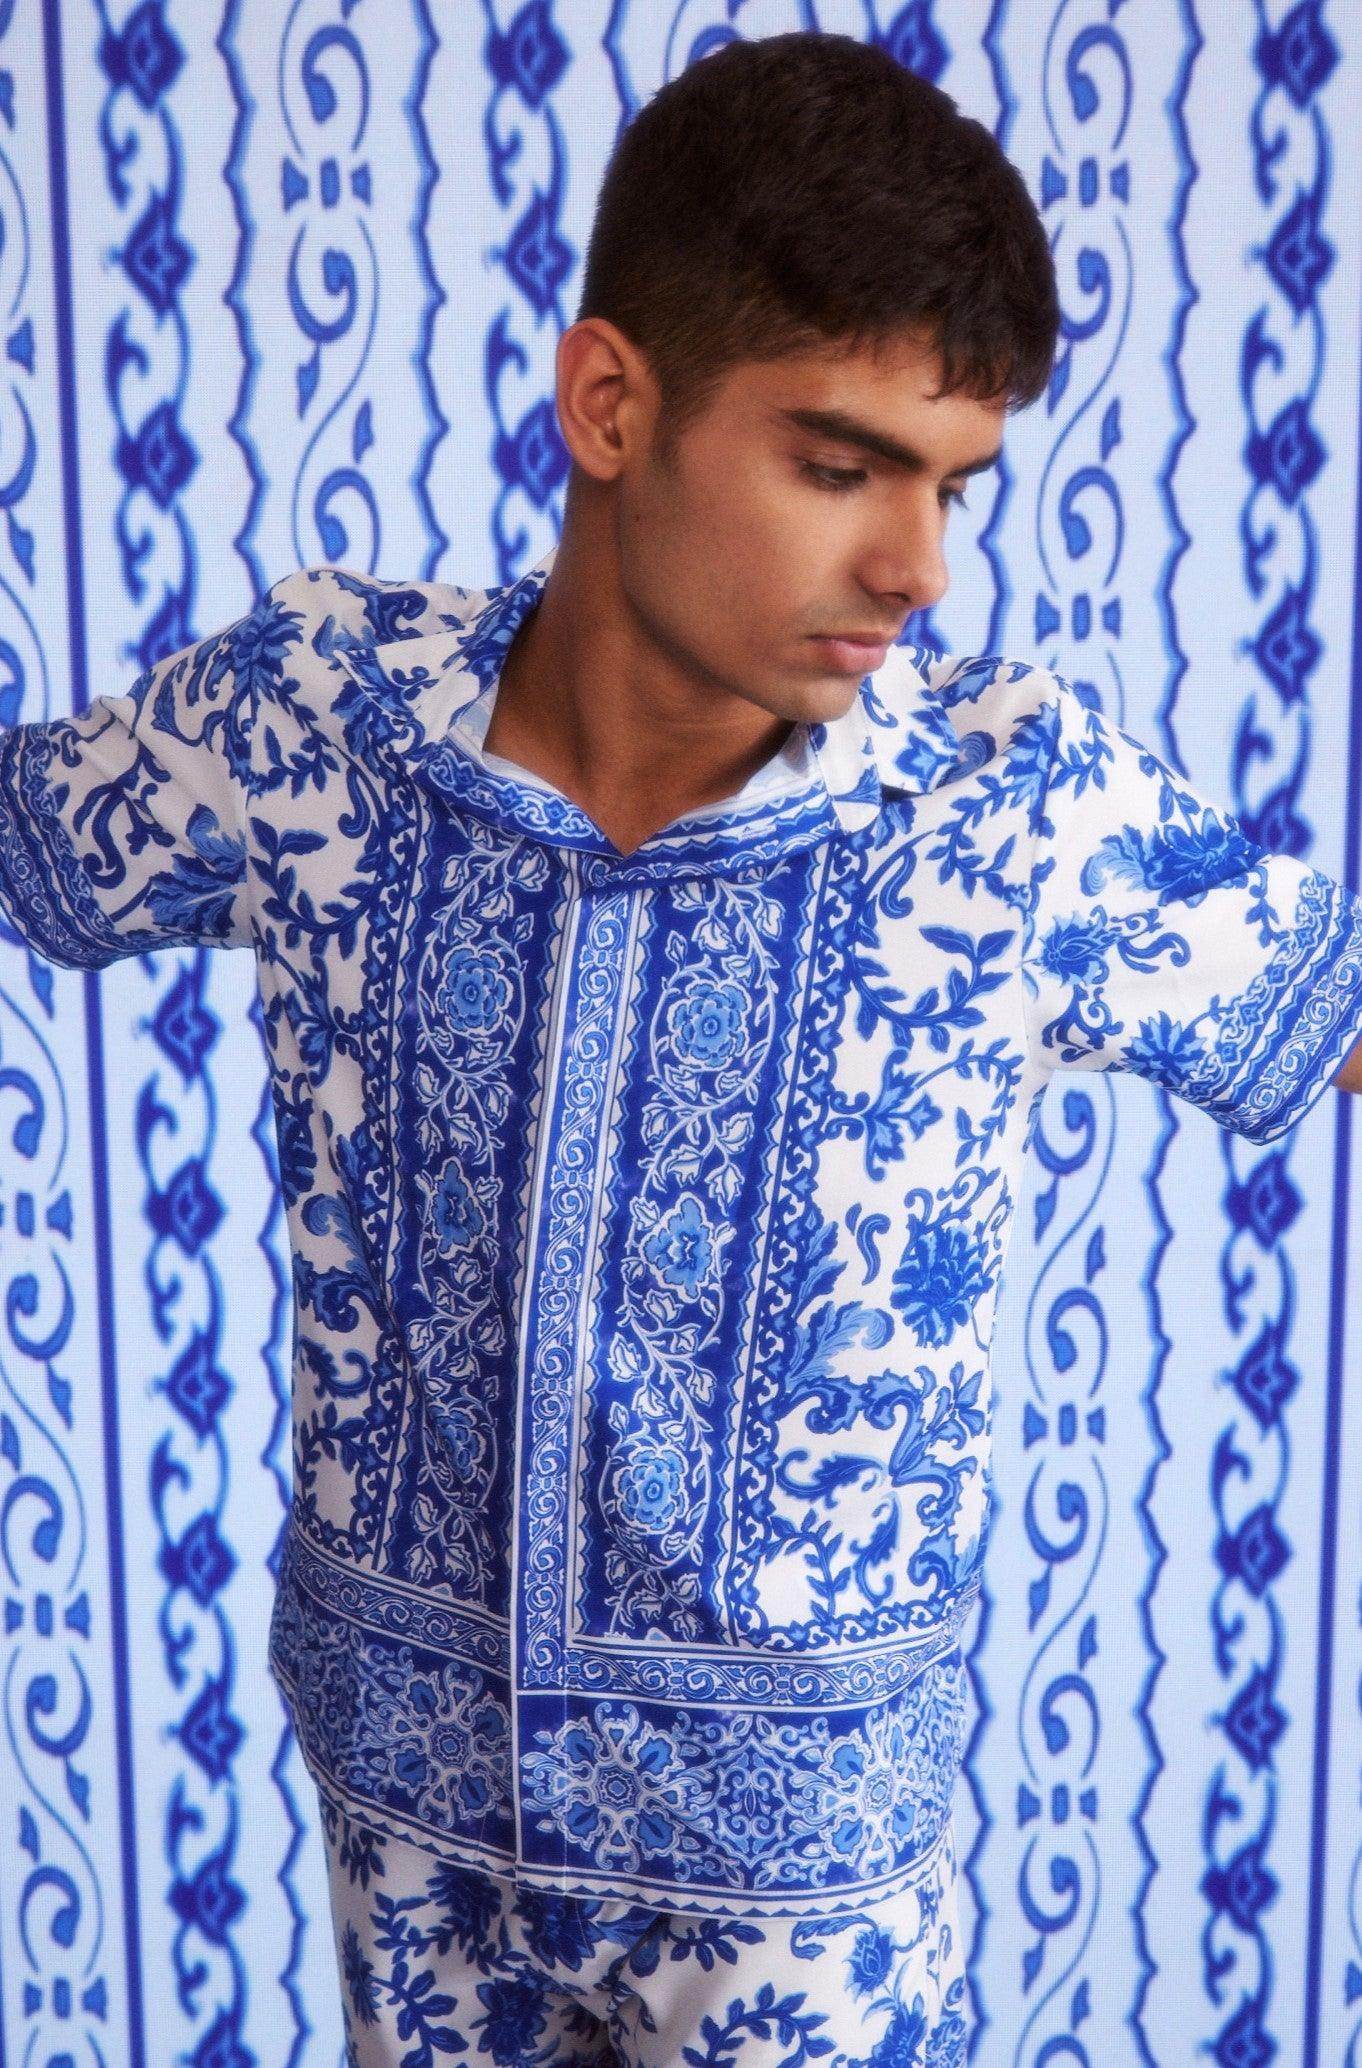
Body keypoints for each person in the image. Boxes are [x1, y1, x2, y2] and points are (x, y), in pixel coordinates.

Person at [3, 28, 1360, 2068]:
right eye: (839, 465)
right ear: (610, 404)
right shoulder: (315, 725)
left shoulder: (1012, 810)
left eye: (951, 486)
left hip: (798, 1906)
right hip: (412, 1840)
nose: (916, 567)